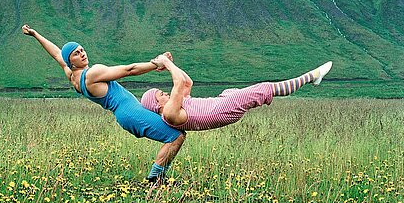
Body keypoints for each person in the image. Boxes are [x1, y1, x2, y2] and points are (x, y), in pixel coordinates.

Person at [21, 25, 185, 182]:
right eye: (76, 54)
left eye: (82, 50)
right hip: (130, 112)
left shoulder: (73, 76)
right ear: (71, 61)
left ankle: (157, 178)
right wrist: (157, 63)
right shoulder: (92, 74)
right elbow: (129, 70)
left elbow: (57, 54)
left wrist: (35, 35)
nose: (82, 54)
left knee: (174, 130)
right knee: (176, 136)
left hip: (126, 113)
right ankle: (155, 179)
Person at [140, 55, 333, 131]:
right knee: (263, 88)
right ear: (157, 106)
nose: (166, 94)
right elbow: (179, 82)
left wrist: (170, 64)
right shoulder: (169, 114)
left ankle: (312, 77)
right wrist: (167, 64)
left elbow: (187, 82)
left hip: (220, 103)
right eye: (161, 95)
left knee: (232, 91)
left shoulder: (175, 107)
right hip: (219, 111)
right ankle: (311, 76)